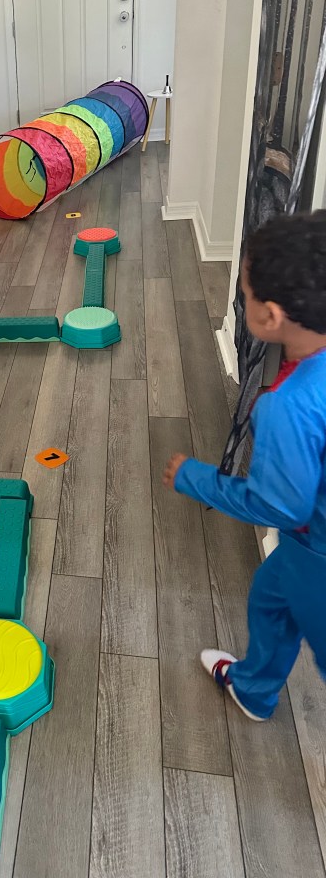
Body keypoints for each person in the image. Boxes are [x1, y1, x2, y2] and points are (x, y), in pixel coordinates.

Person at [163, 210, 326, 721]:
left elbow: (277, 503)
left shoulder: (287, 406)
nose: (243, 295)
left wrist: (195, 477)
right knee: (270, 600)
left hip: (317, 556)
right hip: (306, 548)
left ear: (270, 317)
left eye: (246, 292)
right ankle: (253, 688)